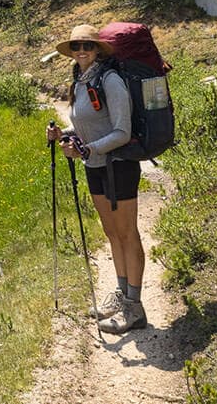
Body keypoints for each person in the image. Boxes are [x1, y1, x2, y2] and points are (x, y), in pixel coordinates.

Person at [45, 24, 147, 334]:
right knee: (112, 233)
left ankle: (135, 307)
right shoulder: (79, 81)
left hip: (119, 166)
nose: (81, 51)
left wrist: (88, 149)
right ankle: (121, 293)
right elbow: (89, 126)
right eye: (76, 46)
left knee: (128, 233)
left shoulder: (111, 81)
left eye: (87, 46)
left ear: (98, 49)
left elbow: (122, 132)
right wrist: (64, 136)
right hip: (96, 166)